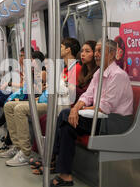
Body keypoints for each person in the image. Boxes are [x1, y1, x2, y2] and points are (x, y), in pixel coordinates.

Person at [50, 39, 134, 187]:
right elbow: (87, 96)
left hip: (114, 121)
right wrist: (76, 109)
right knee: (68, 126)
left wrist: (77, 110)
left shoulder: (118, 75)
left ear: (112, 54)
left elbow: (105, 107)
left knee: (65, 115)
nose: (96, 54)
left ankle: (52, 159)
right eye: (95, 51)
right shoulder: (99, 73)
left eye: (99, 51)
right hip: (100, 118)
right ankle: (65, 175)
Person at [31, 40, 99, 175]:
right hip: (75, 106)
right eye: (83, 51)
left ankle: (50, 157)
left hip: (84, 110)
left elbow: (87, 95)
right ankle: (50, 158)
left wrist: (70, 89)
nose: (83, 54)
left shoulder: (90, 72)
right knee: (49, 119)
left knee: (55, 120)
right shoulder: (83, 70)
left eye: (88, 51)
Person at [0, 51, 47, 166]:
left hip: (44, 101)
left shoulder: (44, 72)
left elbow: (39, 90)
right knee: (8, 105)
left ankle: (26, 152)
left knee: (19, 108)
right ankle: (17, 146)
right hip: (37, 99)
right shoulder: (33, 72)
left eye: (32, 59)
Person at [0, 47, 34, 138]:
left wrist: (9, 83)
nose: (21, 58)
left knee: (1, 101)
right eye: (20, 56)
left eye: (23, 56)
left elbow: (26, 86)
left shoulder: (31, 69)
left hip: (23, 95)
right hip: (18, 92)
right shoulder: (23, 68)